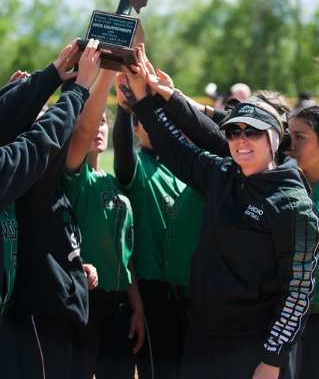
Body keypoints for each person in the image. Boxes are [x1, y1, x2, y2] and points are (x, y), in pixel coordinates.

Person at [120, 48, 319, 379]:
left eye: (252, 131)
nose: (241, 139)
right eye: (233, 131)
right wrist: (142, 99)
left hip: (254, 346)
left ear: (273, 139)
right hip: (203, 336)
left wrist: (272, 359)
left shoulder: (293, 203)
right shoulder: (221, 174)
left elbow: (298, 292)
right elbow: (173, 149)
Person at [0, 38, 100, 379]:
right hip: (33, 315)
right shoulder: (26, 182)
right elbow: (32, 149)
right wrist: (78, 89)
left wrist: (50, 77)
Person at [113, 72, 205, 379]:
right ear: (138, 127)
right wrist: (127, 107)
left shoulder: (182, 167)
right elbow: (123, 151)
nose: (156, 125)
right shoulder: (138, 167)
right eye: (147, 121)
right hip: (151, 289)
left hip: (186, 291)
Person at [60, 67, 144, 379]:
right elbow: (81, 134)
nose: (97, 126)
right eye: (91, 120)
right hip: (85, 300)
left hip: (119, 306)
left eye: (103, 122)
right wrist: (107, 68)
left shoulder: (114, 185)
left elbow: (126, 254)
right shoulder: (73, 176)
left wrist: (137, 309)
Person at [288, 105, 319, 379]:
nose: (290, 144)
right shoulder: (282, 186)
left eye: (300, 136)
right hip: (285, 317)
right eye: (288, 135)